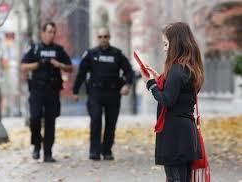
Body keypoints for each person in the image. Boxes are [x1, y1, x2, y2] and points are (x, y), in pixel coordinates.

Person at [140, 22, 204, 182]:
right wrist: (161, 79)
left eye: (166, 44)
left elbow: (167, 100)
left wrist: (151, 84)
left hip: (174, 133)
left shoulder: (176, 69)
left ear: (176, 44)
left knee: (175, 178)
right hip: (186, 131)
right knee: (183, 178)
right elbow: (180, 95)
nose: (164, 49)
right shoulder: (191, 67)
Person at [72, 27, 134, 161]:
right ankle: (94, 151)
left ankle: (107, 150)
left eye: (105, 36)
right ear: (97, 38)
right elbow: (81, 73)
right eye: (100, 37)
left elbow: (129, 72)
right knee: (96, 120)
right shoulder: (91, 54)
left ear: (109, 37)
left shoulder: (117, 54)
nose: (103, 39)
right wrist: (75, 91)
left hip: (113, 94)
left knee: (111, 123)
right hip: (95, 93)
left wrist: (127, 85)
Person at [21, 22, 72, 162]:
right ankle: (37, 145)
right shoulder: (35, 49)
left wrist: (59, 65)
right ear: (43, 33)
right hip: (37, 90)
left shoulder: (58, 50)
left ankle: (48, 152)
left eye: (53, 32)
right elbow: (23, 66)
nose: (51, 35)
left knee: (50, 121)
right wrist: (37, 64)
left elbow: (70, 68)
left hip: (52, 90)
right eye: (49, 32)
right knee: (35, 118)